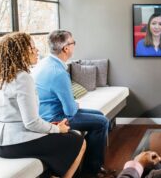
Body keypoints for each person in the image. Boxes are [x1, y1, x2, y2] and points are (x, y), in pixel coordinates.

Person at [0, 32, 86, 178]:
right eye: (32, 47)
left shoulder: (2, 77)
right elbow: (31, 123)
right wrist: (57, 129)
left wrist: (51, 127)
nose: (36, 51)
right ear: (20, 52)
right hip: (17, 143)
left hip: (0, 145)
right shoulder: (23, 78)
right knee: (78, 140)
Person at [31, 30, 112, 177]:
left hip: (46, 112)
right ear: (66, 48)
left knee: (100, 116)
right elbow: (70, 111)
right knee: (101, 122)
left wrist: (73, 105)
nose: (74, 45)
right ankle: (90, 171)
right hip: (56, 118)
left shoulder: (45, 63)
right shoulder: (59, 72)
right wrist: (75, 105)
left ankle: (91, 165)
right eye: (73, 42)